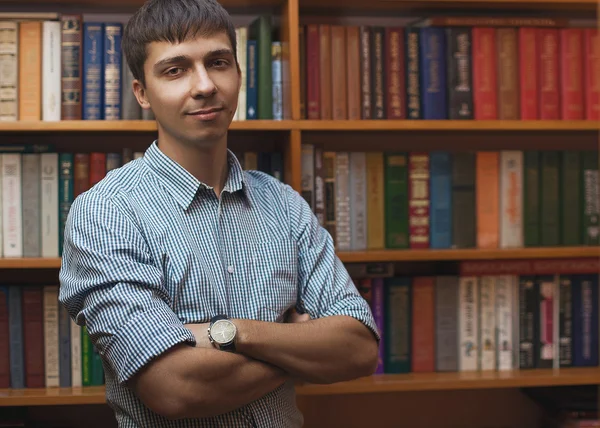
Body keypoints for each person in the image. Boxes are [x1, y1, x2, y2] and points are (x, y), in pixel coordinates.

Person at [58, 0, 380, 426]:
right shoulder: (106, 212)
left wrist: (225, 333)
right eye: (175, 70)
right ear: (142, 93)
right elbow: (175, 388)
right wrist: (300, 348)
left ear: (239, 75)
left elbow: (359, 349)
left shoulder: (284, 205)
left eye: (218, 62)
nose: (205, 85)